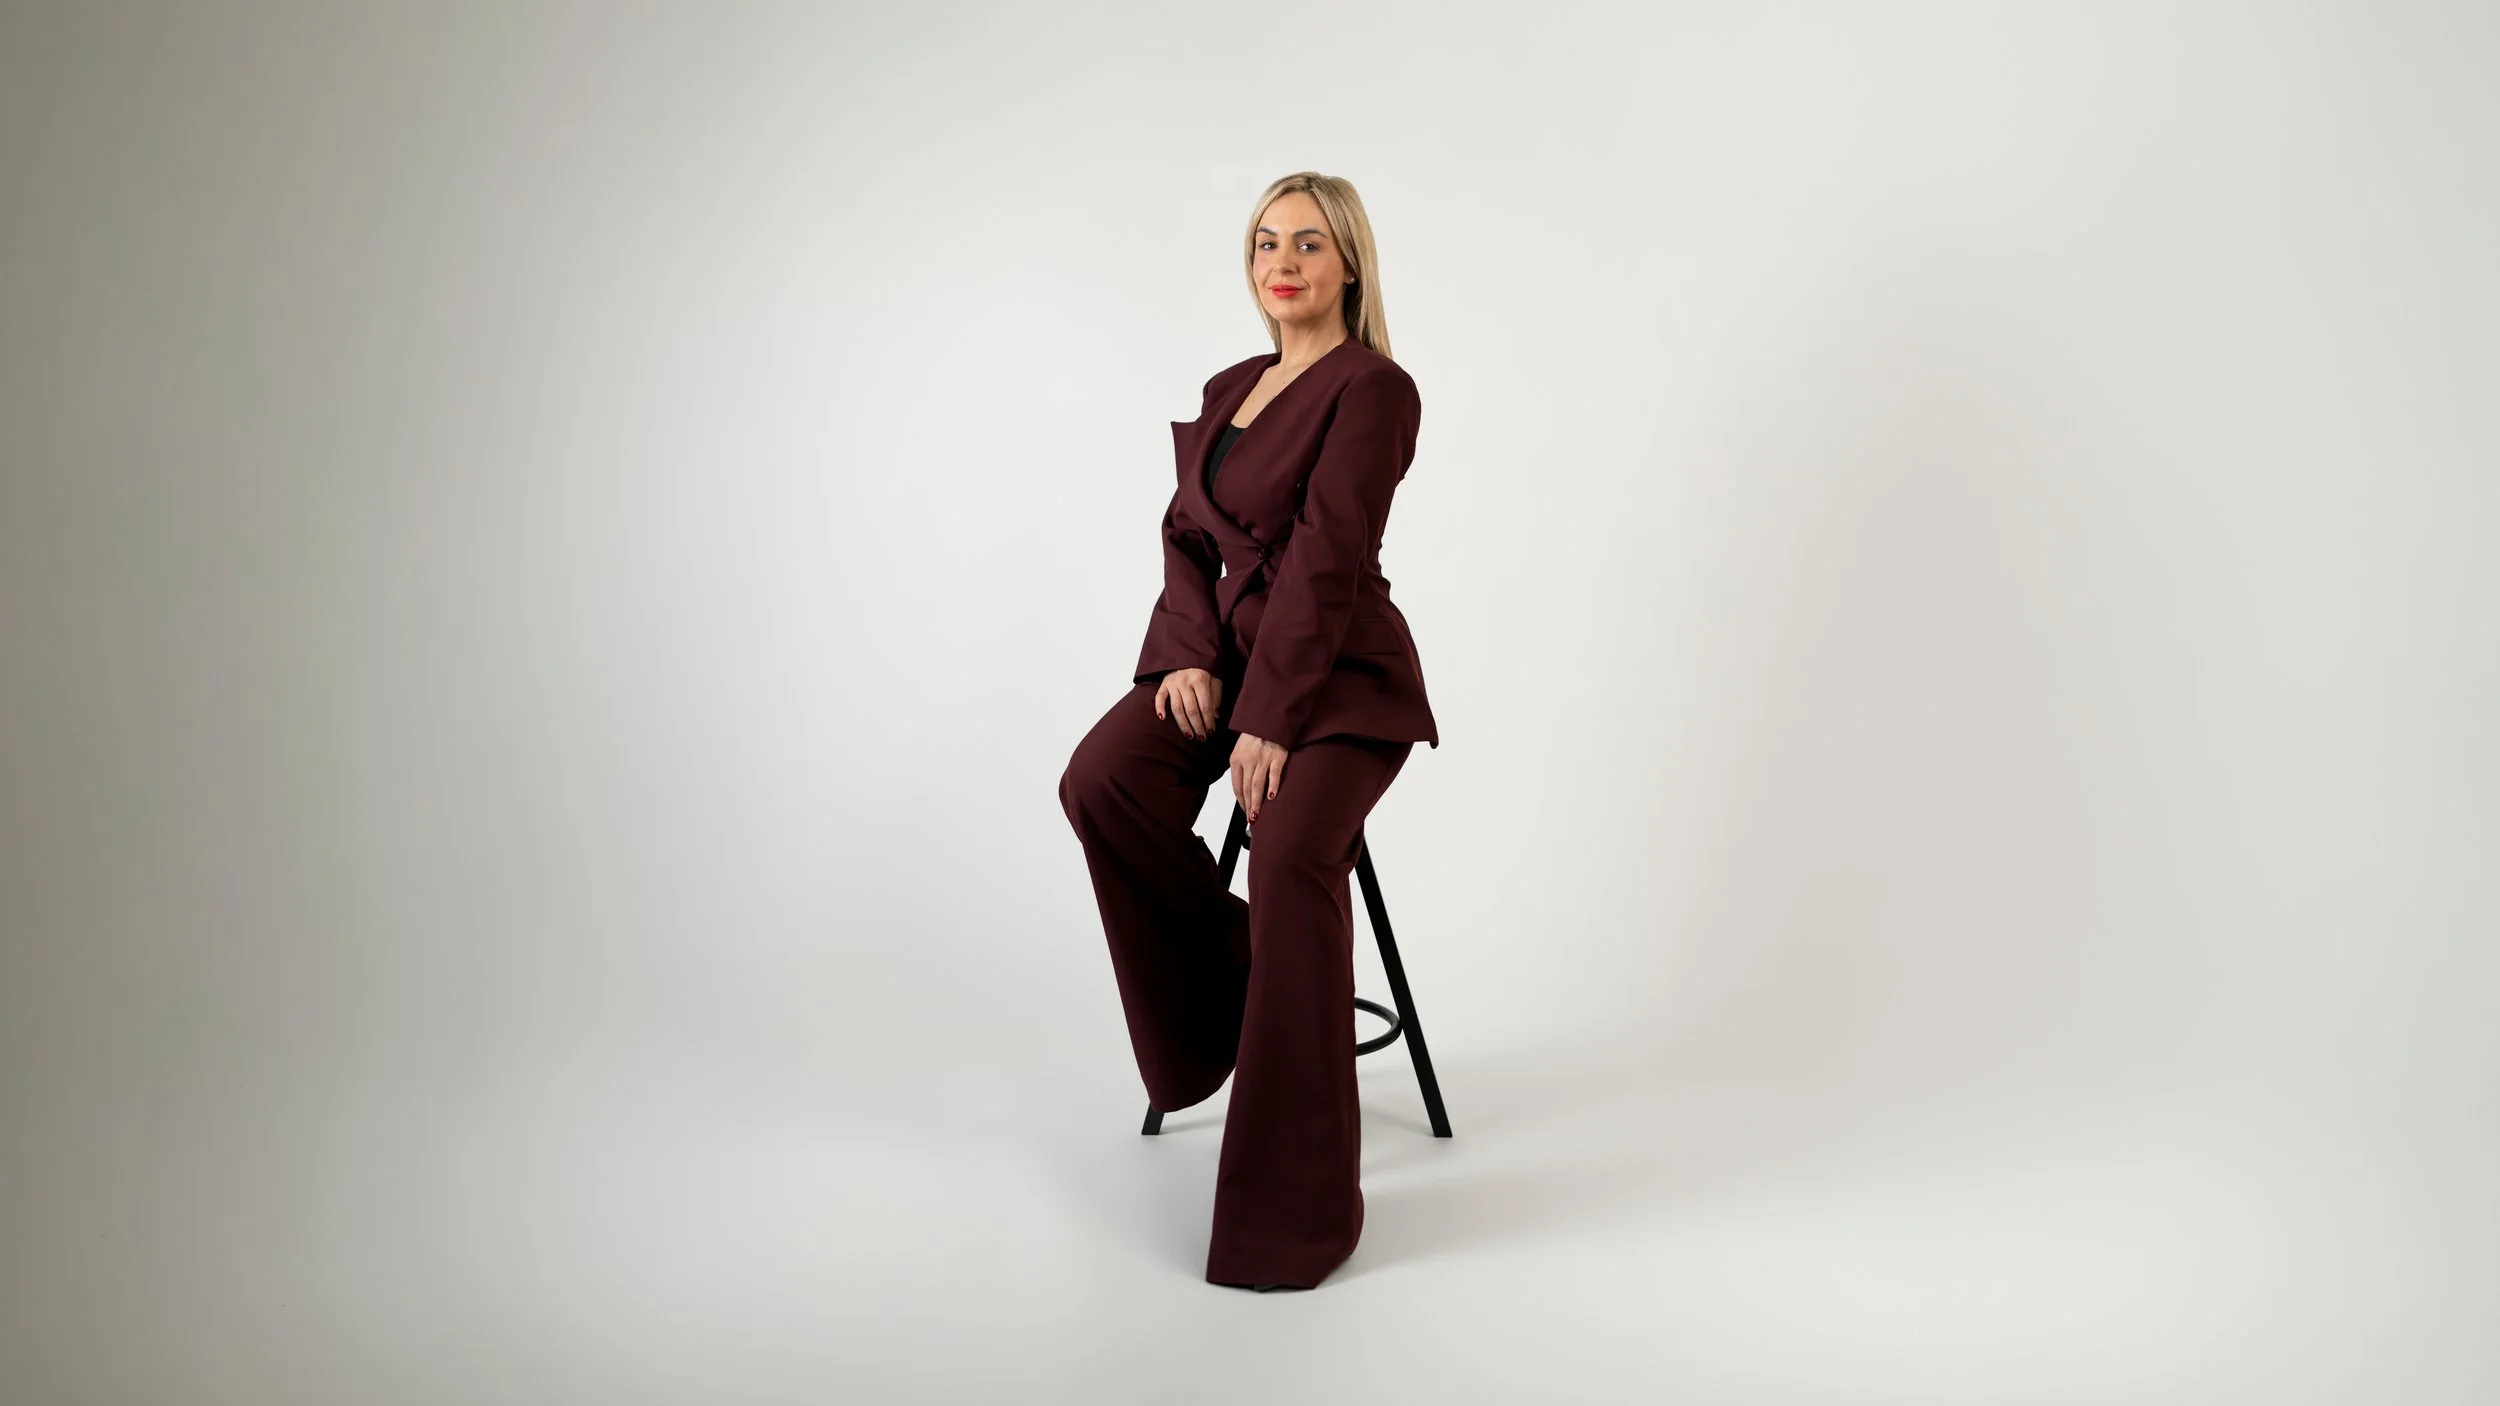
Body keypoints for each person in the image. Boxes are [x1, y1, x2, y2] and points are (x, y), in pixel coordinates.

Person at [1058, 172, 1440, 1292]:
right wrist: (1183, 650)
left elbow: (1326, 555)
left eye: (1309, 244)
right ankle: (1240, 982)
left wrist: (1268, 719)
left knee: (1285, 852)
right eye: (1267, 242)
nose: (1284, 262)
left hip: (1342, 680)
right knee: (1102, 781)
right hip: (1222, 667)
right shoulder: (1234, 386)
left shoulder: (1375, 389)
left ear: (1349, 264)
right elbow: (1185, 533)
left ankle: (1299, 1211)